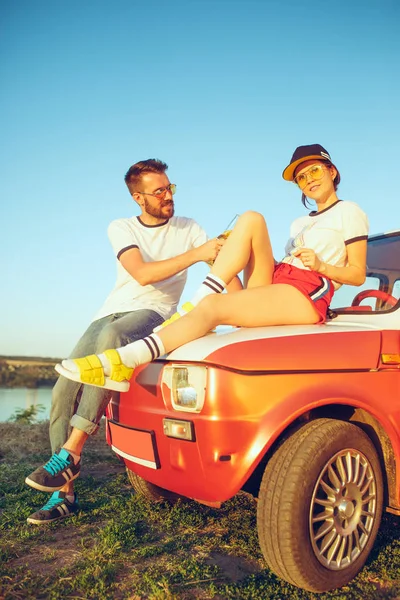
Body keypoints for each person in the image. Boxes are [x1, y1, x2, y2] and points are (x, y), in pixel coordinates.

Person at [38, 143, 369, 441]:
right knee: (251, 219)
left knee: (210, 307)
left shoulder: (349, 212)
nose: (308, 179)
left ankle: (133, 356)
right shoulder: (300, 223)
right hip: (280, 281)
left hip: (308, 292)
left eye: (313, 171)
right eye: (301, 177)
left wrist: (323, 266)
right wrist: (232, 267)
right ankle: (206, 298)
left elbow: (356, 274)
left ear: (332, 171)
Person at [25, 158, 240, 524]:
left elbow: (222, 270)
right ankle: (64, 494)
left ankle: (72, 451)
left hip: (155, 314)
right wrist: (198, 253)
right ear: (139, 198)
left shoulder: (189, 227)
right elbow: (141, 274)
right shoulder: (121, 227)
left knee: (114, 337)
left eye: (170, 187)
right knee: (62, 391)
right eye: (159, 191)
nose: (168, 195)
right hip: (109, 312)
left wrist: (237, 308)